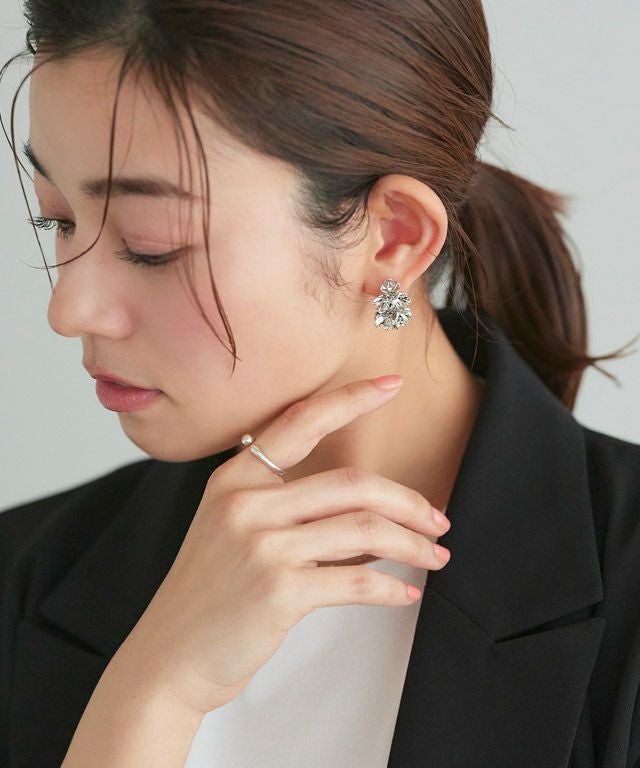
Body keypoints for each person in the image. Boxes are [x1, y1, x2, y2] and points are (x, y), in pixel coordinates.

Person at [0, 1, 638, 766]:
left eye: (150, 246)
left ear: (394, 237)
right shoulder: (25, 576)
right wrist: (152, 691)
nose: (68, 310)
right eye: (59, 220)